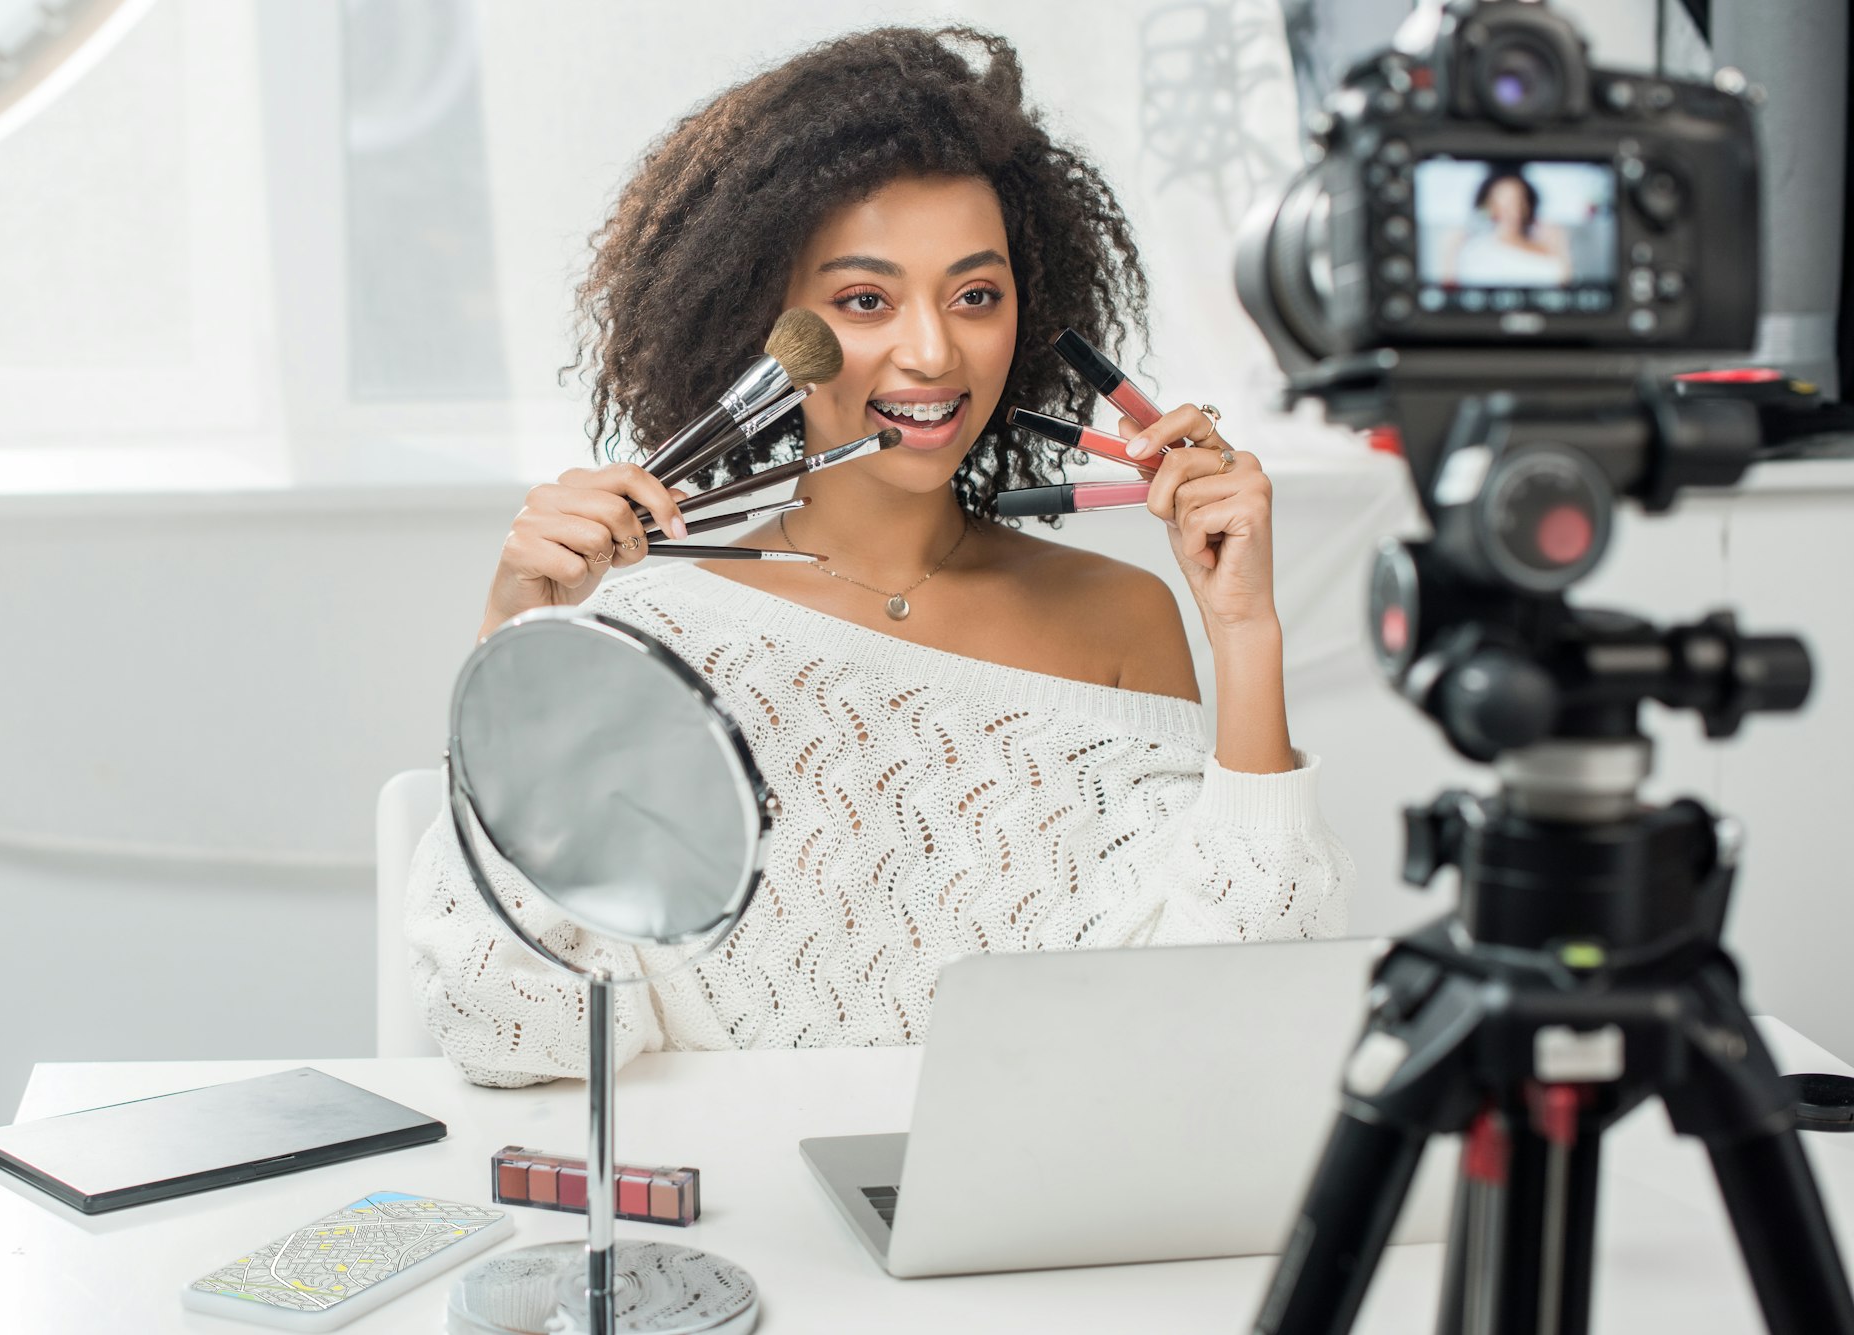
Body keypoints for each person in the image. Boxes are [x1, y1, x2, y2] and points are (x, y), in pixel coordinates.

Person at [406, 26, 1353, 1087]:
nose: (933, 351)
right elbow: (512, 1030)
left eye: (974, 295)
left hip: (1023, 1216)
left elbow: (1223, 1020)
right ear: (761, 322)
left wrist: (1243, 631)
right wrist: (511, 641)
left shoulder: (1121, 618)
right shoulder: (640, 638)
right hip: (727, 1224)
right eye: (864, 300)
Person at [1440, 166, 1573, 287]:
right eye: (1505, 203)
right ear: (1489, 206)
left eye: (1519, 201)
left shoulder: (1549, 246)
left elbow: (1565, 290)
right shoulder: (1476, 251)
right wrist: (1450, 251)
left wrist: (1560, 249)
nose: (1514, 211)